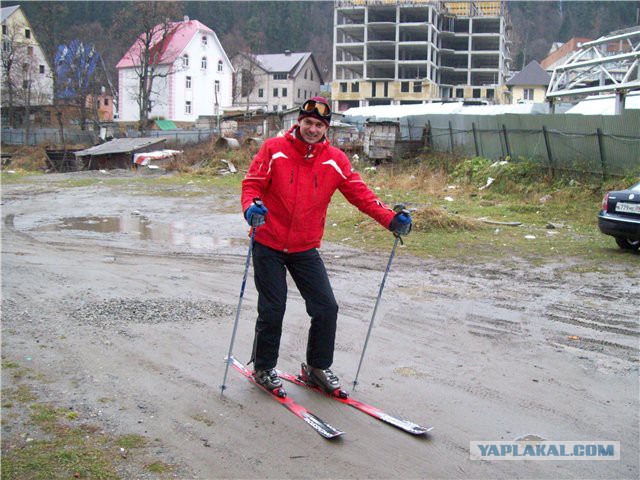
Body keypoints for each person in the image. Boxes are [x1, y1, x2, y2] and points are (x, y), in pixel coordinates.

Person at [241, 96, 412, 397]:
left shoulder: (335, 159)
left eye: (318, 125)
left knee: (326, 307)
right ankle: (264, 366)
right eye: (307, 122)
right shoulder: (274, 149)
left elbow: (360, 194)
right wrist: (251, 208)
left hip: (304, 247)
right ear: (299, 122)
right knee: (273, 307)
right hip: (268, 241)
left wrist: (390, 219)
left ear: (326, 128)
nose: (312, 129)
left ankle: (317, 368)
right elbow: (252, 184)